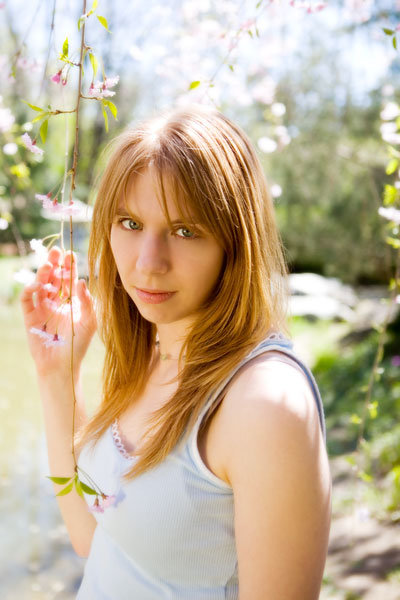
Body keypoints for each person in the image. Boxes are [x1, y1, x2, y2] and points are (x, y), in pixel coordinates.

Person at [21, 104, 331, 600]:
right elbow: (93, 538)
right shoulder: (154, 352)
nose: (148, 263)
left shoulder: (265, 403)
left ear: (235, 243)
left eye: (186, 231)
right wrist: (57, 375)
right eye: (129, 223)